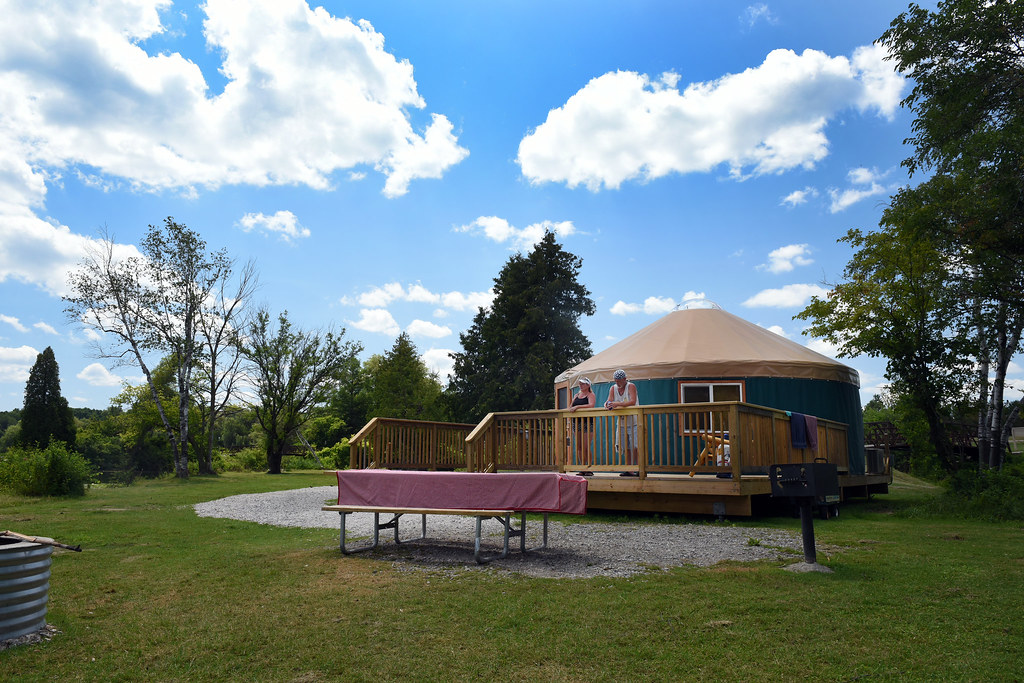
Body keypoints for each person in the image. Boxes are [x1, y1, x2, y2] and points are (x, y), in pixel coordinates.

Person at [605, 369, 639, 476]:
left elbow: (632, 401)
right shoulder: (613, 388)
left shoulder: (631, 386)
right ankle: (629, 470)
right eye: (615, 381)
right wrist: (607, 404)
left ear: (624, 379)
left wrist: (617, 404)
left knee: (636, 447)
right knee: (626, 447)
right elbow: (610, 400)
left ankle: (638, 469)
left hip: (634, 421)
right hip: (621, 422)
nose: (617, 383)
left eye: (619, 380)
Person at [568, 377, 595, 475]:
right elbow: (570, 407)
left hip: (587, 422)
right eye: (580, 384)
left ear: (588, 385)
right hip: (577, 422)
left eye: (583, 384)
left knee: (586, 446)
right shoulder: (576, 395)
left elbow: (591, 405)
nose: (581, 385)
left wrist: (578, 407)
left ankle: (589, 468)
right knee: (579, 446)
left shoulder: (590, 394)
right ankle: (582, 467)